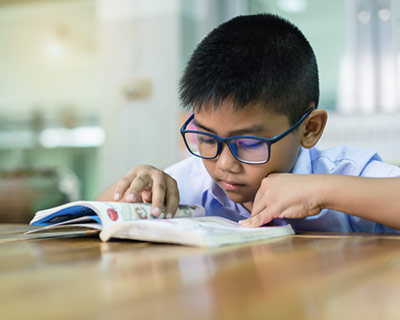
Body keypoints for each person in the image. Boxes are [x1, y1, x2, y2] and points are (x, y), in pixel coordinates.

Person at [97, 13, 400, 233]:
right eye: (206, 139)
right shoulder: (189, 184)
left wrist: (323, 191)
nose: (225, 164)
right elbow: (79, 222)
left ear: (309, 129)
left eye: (249, 143)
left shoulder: (342, 174)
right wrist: (132, 191)